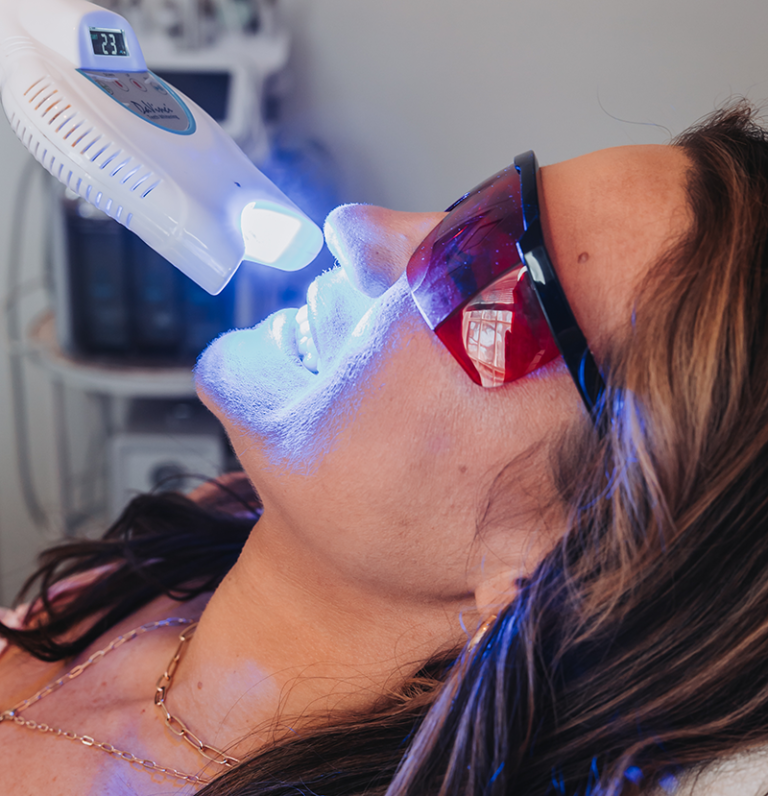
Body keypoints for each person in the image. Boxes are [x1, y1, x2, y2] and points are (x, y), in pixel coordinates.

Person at [0, 100, 765, 796]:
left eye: (479, 262)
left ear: (576, 561)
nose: (355, 226)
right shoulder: (175, 555)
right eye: (465, 207)